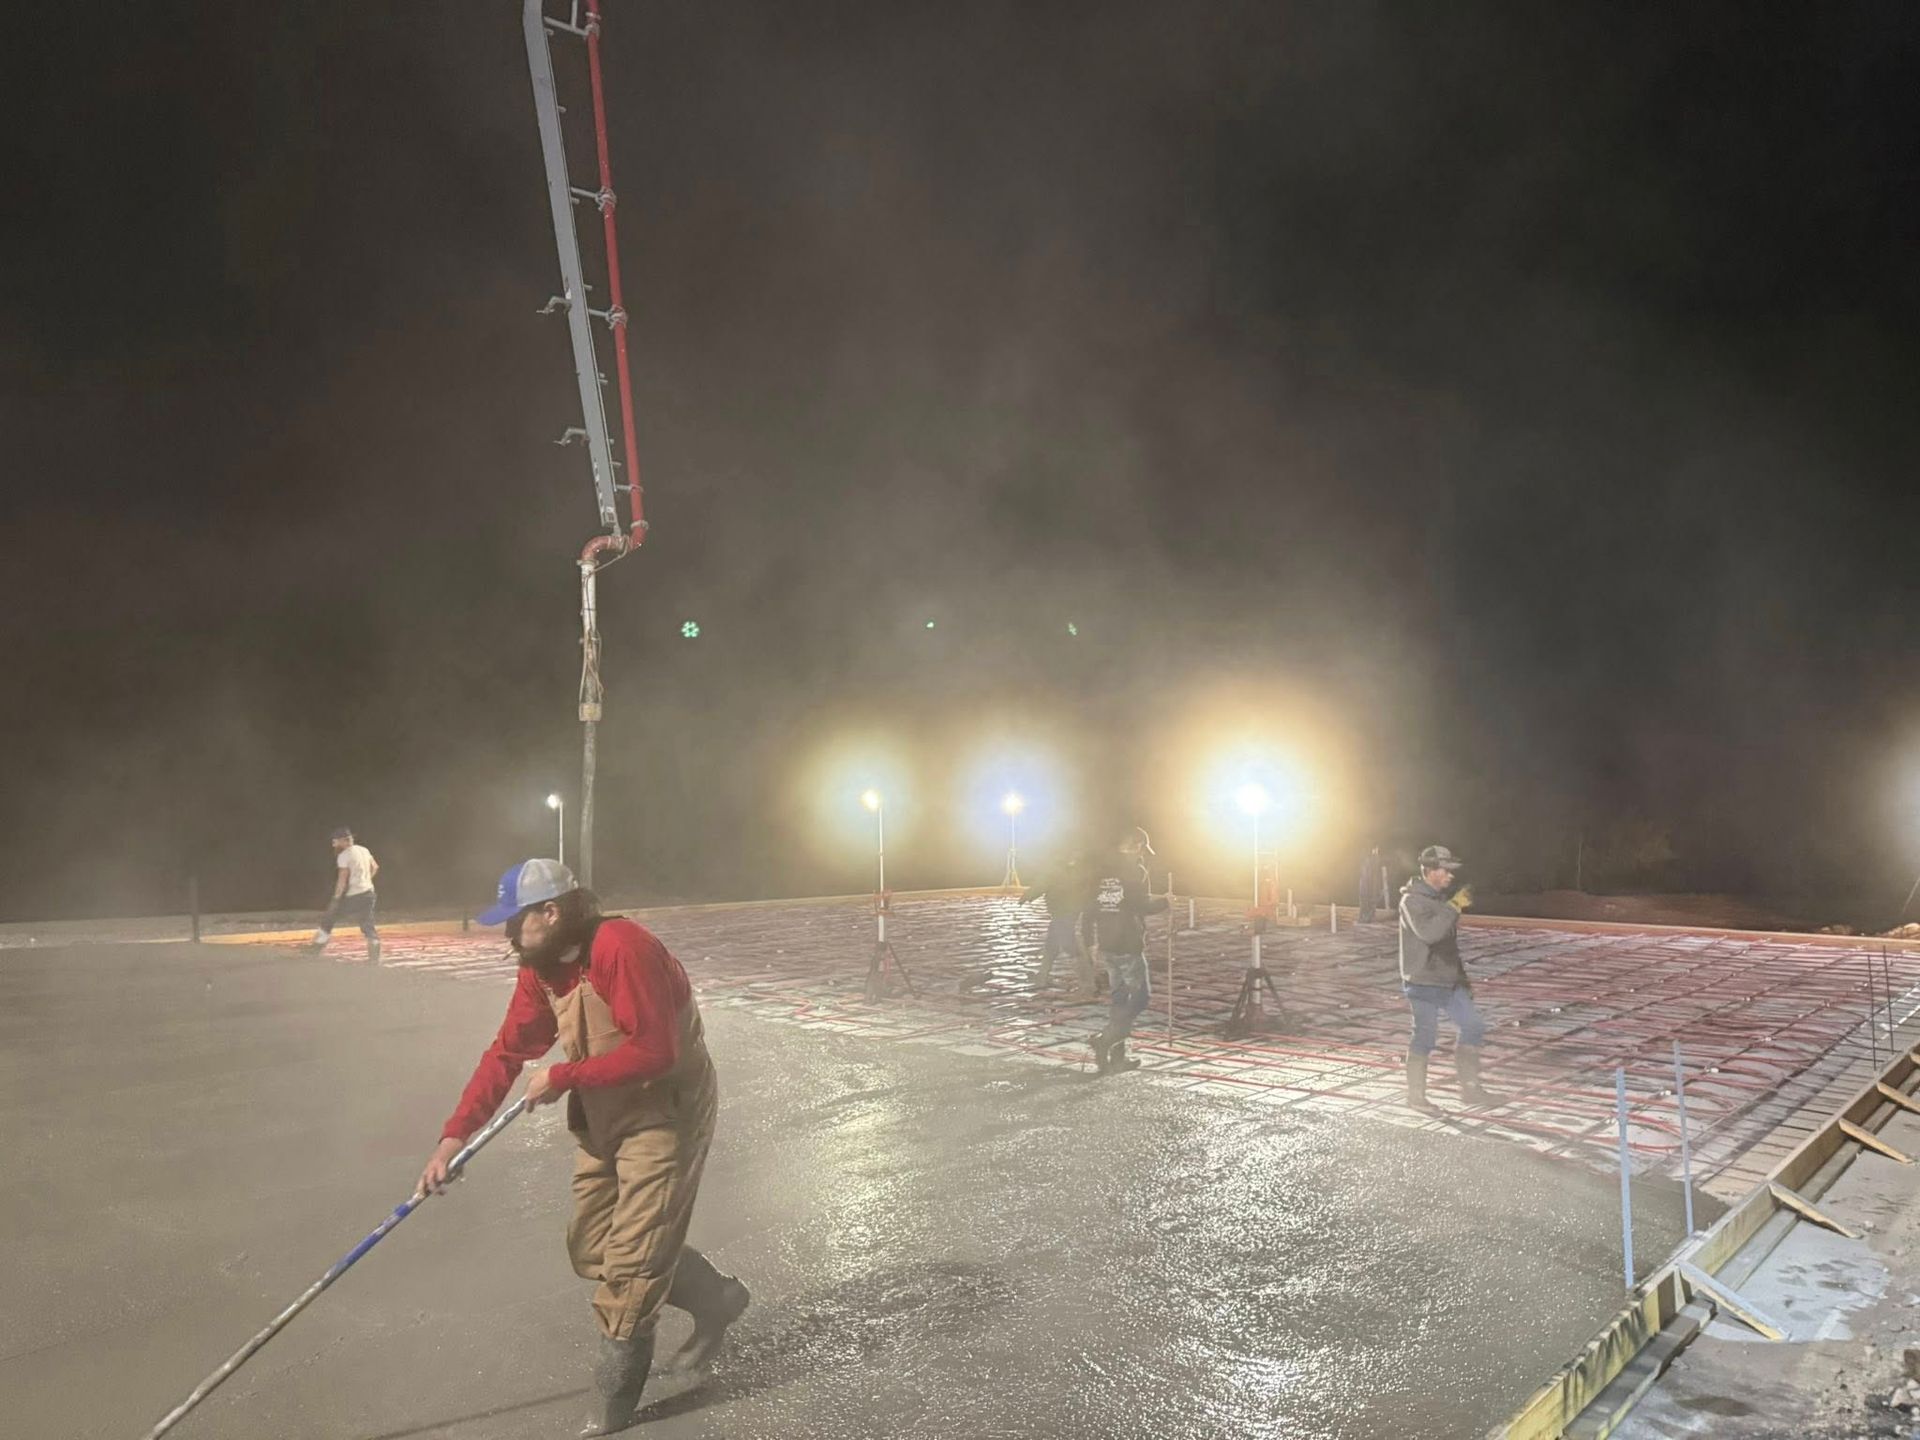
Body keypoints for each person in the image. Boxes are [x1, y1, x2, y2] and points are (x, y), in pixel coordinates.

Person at [415, 859, 749, 1437]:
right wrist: (453, 1138)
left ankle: (612, 1408)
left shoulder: (623, 947)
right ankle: (717, 1299)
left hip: (664, 1111)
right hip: (604, 1112)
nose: (509, 936)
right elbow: (506, 1053)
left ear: (552, 911)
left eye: (516, 922)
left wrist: (564, 1078)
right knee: (593, 1246)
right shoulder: (541, 967)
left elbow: (654, 1051)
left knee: (632, 1265)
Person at [1397, 843, 1493, 1111]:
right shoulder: (1411, 901)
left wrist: (1462, 979)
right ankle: (1416, 1097)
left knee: (1473, 1026)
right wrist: (1454, 906)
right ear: (1429, 871)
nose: (1451, 876)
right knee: (1425, 1037)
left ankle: (1470, 1089)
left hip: (1449, 981)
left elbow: (1448, 946)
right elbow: (1430, 934)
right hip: (1423, 982)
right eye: (1446, 871)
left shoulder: (1440, 900)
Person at [1087, 827, 1169, 1075]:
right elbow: (1139, 905)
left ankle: (1116, 1058)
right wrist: (1165, 902)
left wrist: (1090, 942)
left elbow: (1089, 907)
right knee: (1141, 998)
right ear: (1136, 846)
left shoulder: (1100, 871)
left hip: (1107, 943)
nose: (1142, 855)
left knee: (1119, 1000)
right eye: (1141, 849)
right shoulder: (1135, 871)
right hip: (1128, 943)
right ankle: (1106, 1039)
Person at [1020, 849, 1098, 996]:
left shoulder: (1056, 869)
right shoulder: (1077, 868)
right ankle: (1042, 976)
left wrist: (1027, 896)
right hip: (1068, 910)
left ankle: (1088, 985)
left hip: (1063, 911)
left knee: (1072, 947)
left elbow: (1042, 883)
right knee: (1052, 944)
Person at [311, 826, 380, 963]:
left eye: (335, 841)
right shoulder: (363, 850)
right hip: (368, 893)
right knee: (367, 923)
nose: (333, 844)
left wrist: (336, 898)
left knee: (329, 918)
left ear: (343, 841)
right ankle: (375, 954)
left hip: (354, 895)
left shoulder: (344, 855)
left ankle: (316, 948)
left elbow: (342, 879)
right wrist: (366, 880)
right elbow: (375, 867)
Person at [1358, 846, 1384, 924]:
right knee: (1367, 901)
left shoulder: (1373, 860)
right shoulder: (1369, 860)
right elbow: (1369, 873)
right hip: (1368, 886)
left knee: (1370, 901)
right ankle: (1365, 918)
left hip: (1369, 885)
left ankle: (1367, 917)